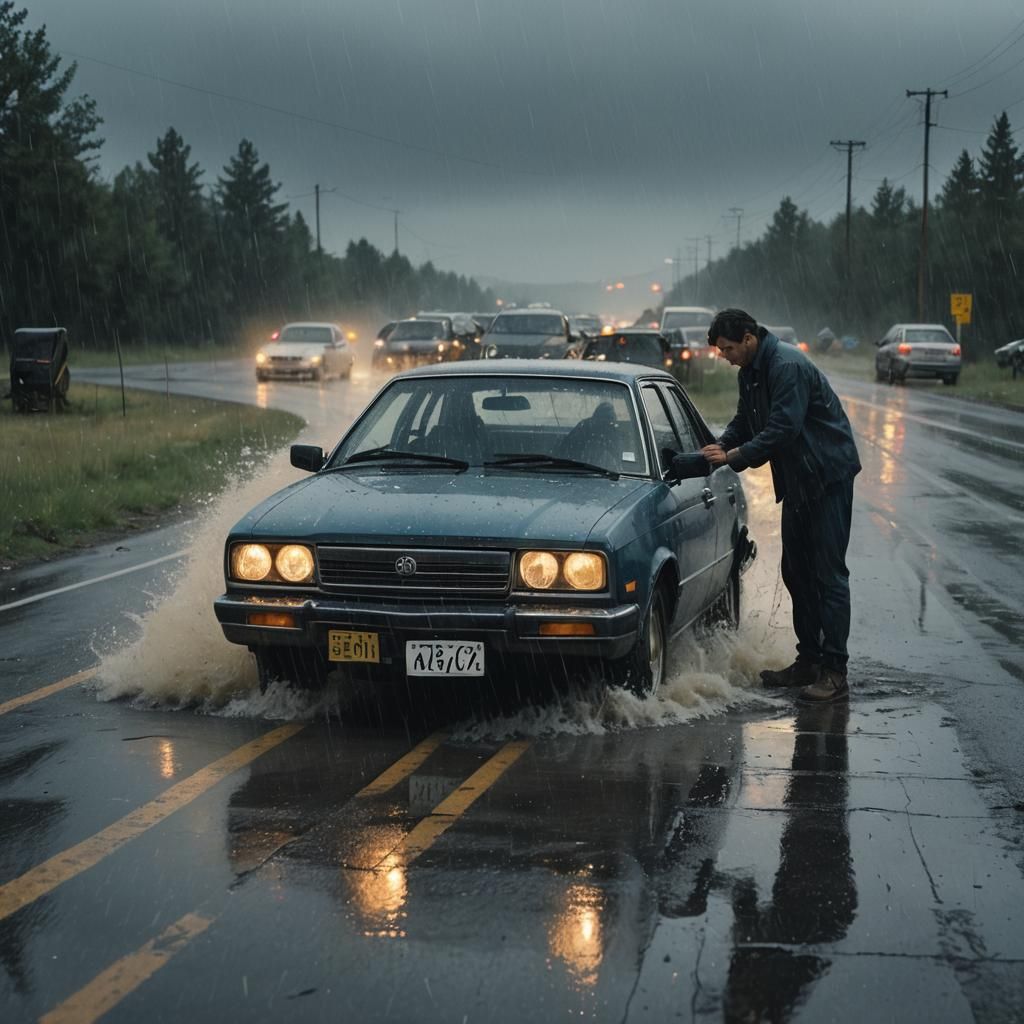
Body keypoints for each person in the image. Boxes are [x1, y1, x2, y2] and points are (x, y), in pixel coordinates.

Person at [695, 308, 860, 703]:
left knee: (829, 575)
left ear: (749, 339)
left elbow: (782, 429)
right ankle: (809, 661)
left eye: (729, 348)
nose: (724, 355)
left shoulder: (786, 365)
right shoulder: (750, 372)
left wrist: (735, 457)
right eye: (720, 349)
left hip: (827, 476)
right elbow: (745, 421)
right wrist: (722, 442)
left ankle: (835, 672)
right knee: (796, 572)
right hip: (800, 480)